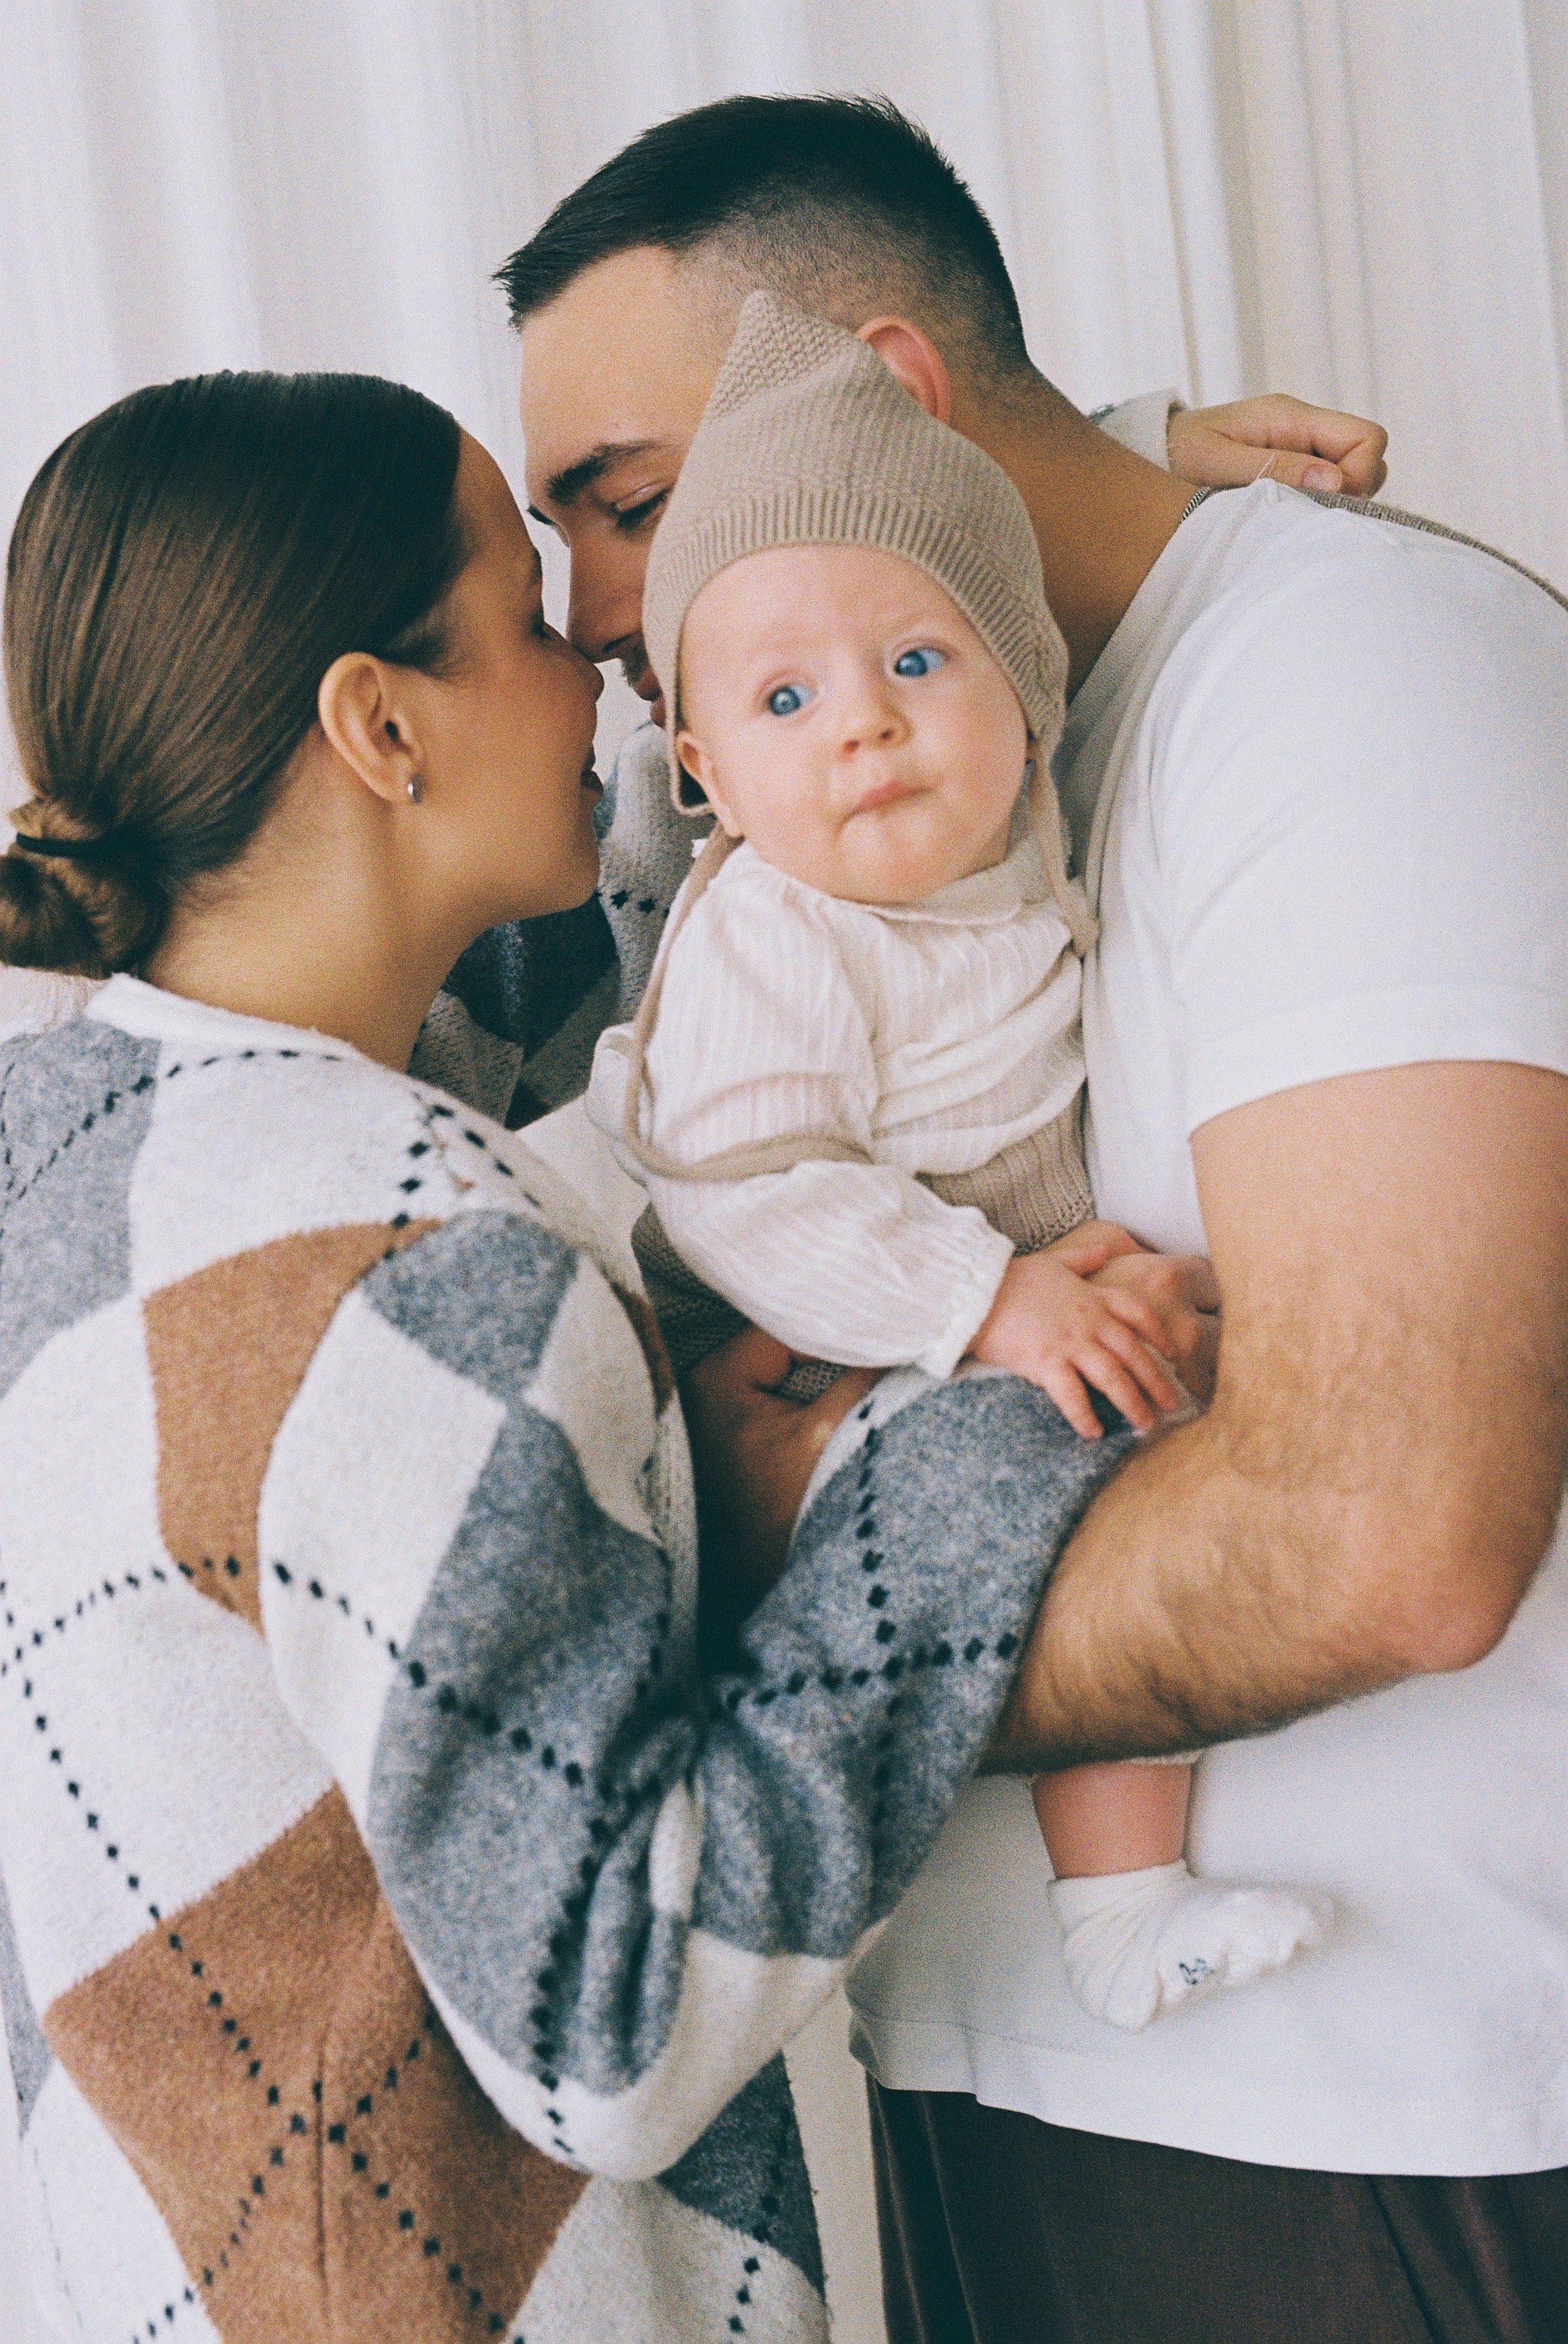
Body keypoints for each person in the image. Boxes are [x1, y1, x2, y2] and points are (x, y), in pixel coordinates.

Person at [496, 93, 1568, 2341]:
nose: (596, 607)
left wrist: (729, 1551)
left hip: (1333, 2130)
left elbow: (1384, 1531)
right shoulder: (880, 787)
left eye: (630, 504)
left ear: (877, 400)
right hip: (997, 2087)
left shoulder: (1335, 679)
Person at [0, 370, 1221, 2343]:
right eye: (525, 604)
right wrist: (952, 1449)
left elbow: (707, 881)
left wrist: (1102, 467)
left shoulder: (65, 1147)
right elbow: (608, 2023)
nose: (604, 653)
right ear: (379, 726)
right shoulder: (413, 1254)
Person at [587, 285, 1330, 2034]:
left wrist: (1147, 448)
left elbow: (936, 528)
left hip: (976, 1284)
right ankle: (1030, 1894)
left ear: (1026, 683)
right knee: (1024, 1460)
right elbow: (746, 1191)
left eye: (917, 665)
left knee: (1145, 1424)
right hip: (814, 1306)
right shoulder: (779, 927)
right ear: (702, 770)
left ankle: (1120, 1895)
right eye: (782, 698)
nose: (862, 724)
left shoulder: (1004, 794)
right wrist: (978, 1298)